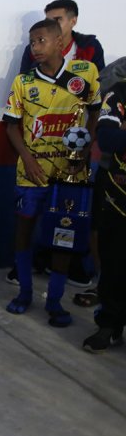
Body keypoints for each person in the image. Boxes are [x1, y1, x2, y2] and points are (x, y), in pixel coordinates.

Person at [2, 19, 100, 327]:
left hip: (70, 175)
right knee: (23, 232)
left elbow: (95, 110)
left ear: (60, 42)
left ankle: (55, 301)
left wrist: (85, 150)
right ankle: (24, 293)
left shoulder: (84, 75)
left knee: (63, 237)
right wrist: (27, 159)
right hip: (31, 174)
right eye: (32, 42)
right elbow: (11, 126)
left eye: (41, 40)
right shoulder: (24, 82)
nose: (35, 47)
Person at [82, 75, 126, 352]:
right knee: (114, 265)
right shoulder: (118, 93)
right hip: (117, 197)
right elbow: (109, 138)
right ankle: (109, 325)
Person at [19, 0, 104, 75]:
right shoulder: (33, 49)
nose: (51, 25)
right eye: (48, 21)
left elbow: (102, 81)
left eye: (57, 20)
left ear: (73, 21)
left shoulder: (90, 46)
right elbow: (23, 82)